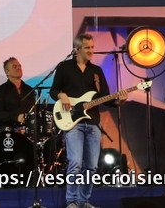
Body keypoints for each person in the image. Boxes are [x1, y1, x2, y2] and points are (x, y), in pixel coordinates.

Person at [50, 33, 126, 208]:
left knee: (91, 166)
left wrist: (118, 101)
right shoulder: (64, 67)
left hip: (93, 122)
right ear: (77, 49)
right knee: (75, 162)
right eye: (87, 48)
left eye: (92, 47)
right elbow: (54, 91)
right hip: (73, 123)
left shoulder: (96, 71)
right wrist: (62, 95)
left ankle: (84, 201)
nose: (91, 51)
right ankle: (71, 201)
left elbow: (105, 98)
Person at [0, 56, 35, 127]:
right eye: (14, 67)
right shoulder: (1, 90)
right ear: (7, 72)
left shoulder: (29, 89)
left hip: (28, 128)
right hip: (9, 129)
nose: (18, 68)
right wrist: (16, 117)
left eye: (19, 66)